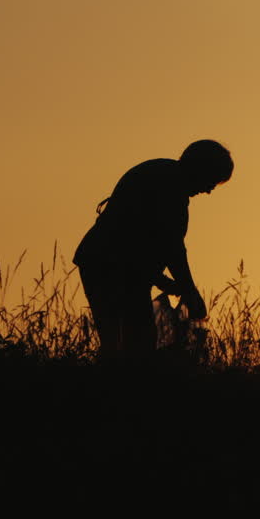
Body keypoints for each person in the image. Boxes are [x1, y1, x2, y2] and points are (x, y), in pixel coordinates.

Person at [73, 139, 233, 362]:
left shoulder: (160, 173)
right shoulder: (170, 189)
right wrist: (189, 291)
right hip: (110, 265)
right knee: (135, 343)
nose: (209, 190)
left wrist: (162, 281)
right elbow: (171, 247)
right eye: (211, 181)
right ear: (200, 169)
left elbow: (144, 242)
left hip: (104, 261)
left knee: (117, 342)